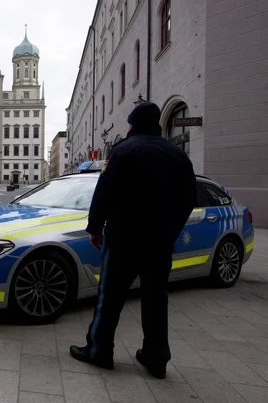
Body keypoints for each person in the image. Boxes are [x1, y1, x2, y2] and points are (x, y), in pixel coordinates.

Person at [69, 101, 197, 379]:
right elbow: (189, 198)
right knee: (155, 299)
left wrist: (95, 227)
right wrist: (170, 230)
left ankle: (99, 350)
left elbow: (104, 192)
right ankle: (156, 357)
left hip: (124, 238)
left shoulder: (122, 151)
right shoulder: (178, 155)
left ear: (133, 124)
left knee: (110, 296)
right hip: (160, 242)